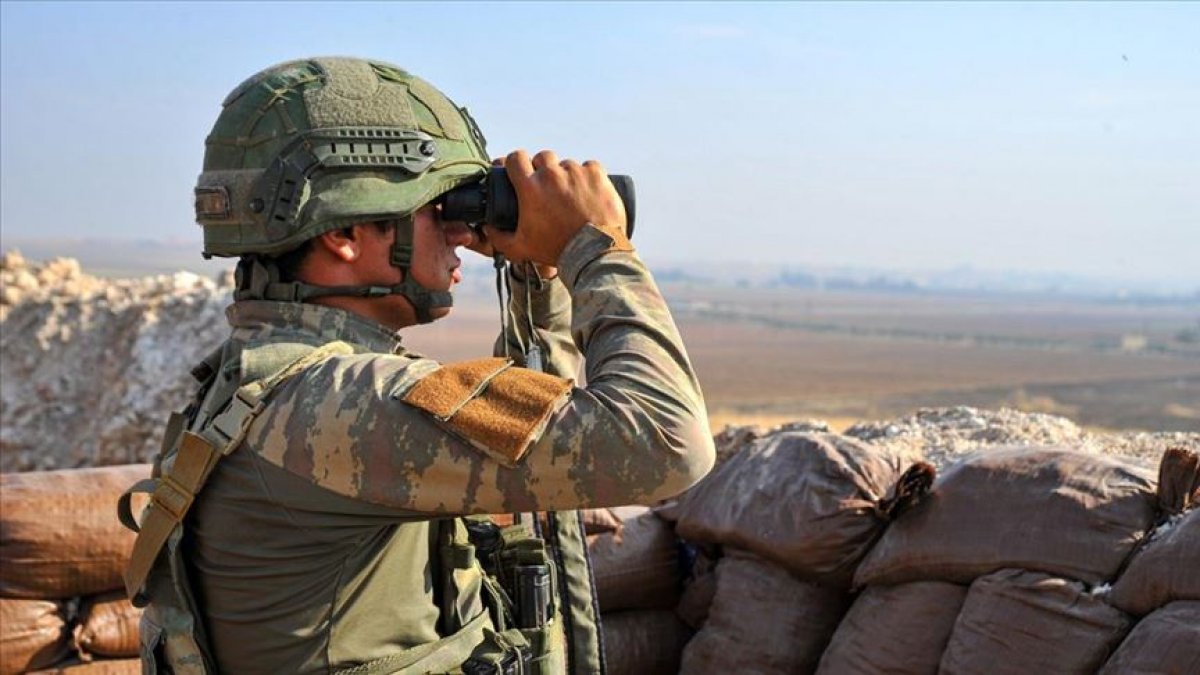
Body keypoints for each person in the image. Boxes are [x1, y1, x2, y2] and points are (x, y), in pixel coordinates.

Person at [121, 56, 714, 674]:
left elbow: (542, 432)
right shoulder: (337, 401)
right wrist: (594, 247)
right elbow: (667, 443)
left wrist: (537, 277)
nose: (460, 231)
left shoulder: (273, 381)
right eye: (437, 205)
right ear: (345, 233)